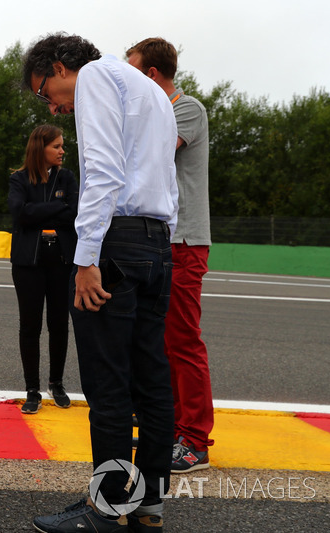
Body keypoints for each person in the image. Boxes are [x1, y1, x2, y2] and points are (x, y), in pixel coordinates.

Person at [23, 33, 179, 533]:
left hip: (116, 243)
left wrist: (87, 256)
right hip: (157, 243)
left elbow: (105, 174)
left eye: (45, 90)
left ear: (61, 65)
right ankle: (147, 503)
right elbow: (164, 180)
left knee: (108, 382)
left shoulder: (93, 77)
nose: (51, 104)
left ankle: (105, 507)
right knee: (151, 380)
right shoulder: (153, 90)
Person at [127, 37, 213, 475]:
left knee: (182, 339)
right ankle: (173, 426)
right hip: (162, 238)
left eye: (133, 72)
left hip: (185, 241)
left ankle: (195, 440)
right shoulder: (160, 109)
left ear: (151, 75)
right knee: (159, 339)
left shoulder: (186, 108)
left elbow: (150, 153)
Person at [8, 124, 78, 414]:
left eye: (62, 145)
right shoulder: (19, 179)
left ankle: (57, 383)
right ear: (41, 148)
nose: (62, 151)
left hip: (62, 260)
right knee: (30, 326)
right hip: (29, 261)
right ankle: (32, 390)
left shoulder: (69, 177)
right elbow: (20, 213)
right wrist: (56, 207)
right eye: (57, 146)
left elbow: (74, 211)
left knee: (59, 324)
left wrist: (39, 210)